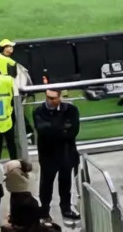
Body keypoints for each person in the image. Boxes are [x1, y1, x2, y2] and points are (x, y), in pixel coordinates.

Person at [33, 85, 83, 222]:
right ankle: (44, 211)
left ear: (60, 97)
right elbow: (42, 130)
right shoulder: (38, 111)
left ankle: (66, 208)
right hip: (48, 154)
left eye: (53, 98)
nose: (50, 101)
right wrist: (62, 128)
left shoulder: (71, 110)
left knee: (66, 182)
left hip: (66, 153)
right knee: (46, 184)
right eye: (48, 98)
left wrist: (55, 129)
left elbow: (73, 131)